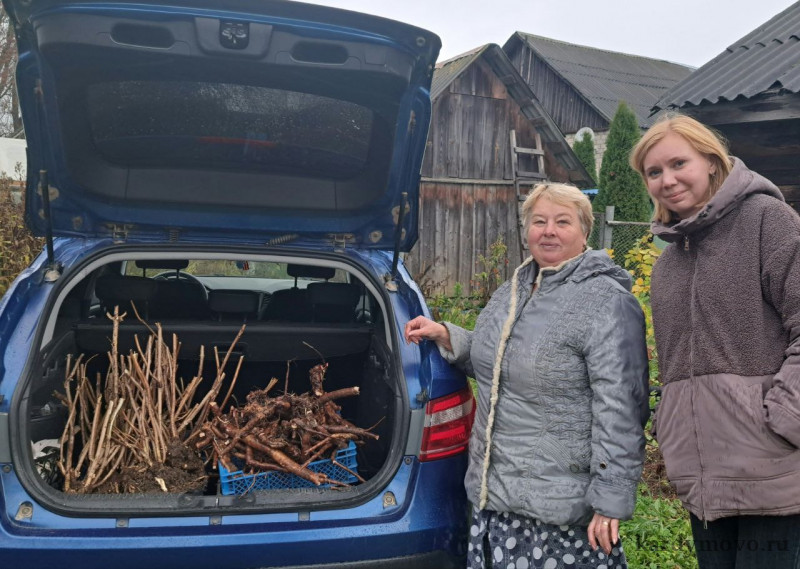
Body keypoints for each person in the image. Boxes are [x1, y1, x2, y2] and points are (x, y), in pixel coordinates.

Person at [405, 183, 649, 569]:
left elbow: (622, 409)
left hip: (559, 507)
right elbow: (499, 363)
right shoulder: (514, 290)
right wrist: (448, 336)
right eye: (539, 221)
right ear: (526, 229)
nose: (548, 231)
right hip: (498, 495)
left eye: (562, 222)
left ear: (584, 231)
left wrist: (610, 499)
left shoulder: (607, 302)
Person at [630, 114, 800, 569]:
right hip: (701, 474)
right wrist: (671, 426)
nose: (667, 180)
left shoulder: (768, 221)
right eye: (653, 172)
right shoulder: (669, 263)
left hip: (773, 468)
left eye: (678, 163)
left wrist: (785, 418)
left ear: (711, 160)